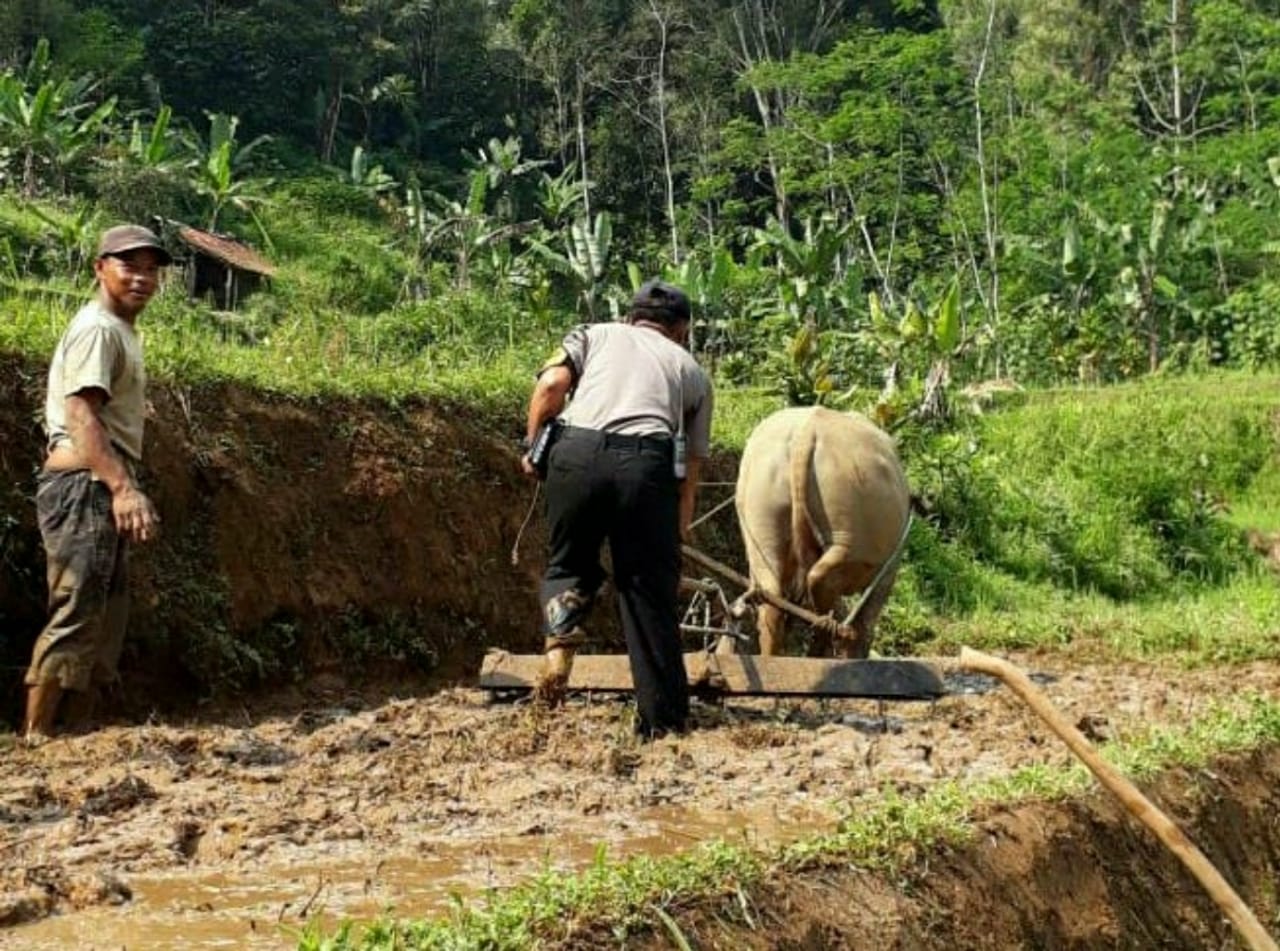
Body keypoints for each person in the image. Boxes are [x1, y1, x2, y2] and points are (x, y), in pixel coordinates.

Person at [520, 280, 713, 738]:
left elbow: (551, 385)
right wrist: (680, 521)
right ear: (681, 329)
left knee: (568, 563)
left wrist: (533, 448)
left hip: (576, 454)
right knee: (647, 589)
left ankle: (558, 652)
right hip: (646, 465)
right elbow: (692, 463)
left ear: (630, 317)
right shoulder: (692, 372)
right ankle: (662, 723)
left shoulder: (591, 334)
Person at [21, 224, 169, 743]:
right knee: (79, 608)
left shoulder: (121, 330)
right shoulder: (100, 329)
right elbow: (82, 414)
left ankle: (79, 737)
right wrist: (122, 487)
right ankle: (37, 736)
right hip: (85, 484)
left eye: (151, 269)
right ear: (100, 268)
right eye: (129, 265)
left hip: (97, 482)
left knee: (107, 612)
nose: (142, 278)